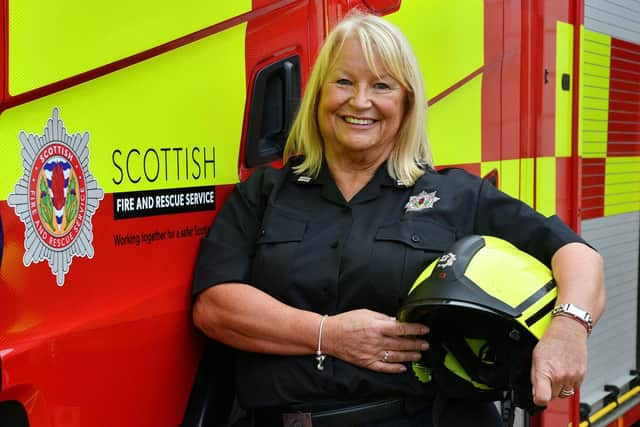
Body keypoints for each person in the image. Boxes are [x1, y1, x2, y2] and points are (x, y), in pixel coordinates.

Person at [191, 11, 605, 427]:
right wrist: (329, 335)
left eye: (382, 85)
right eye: (343, 82)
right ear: (317, 95)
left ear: (406, 103)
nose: (360, 101)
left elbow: (575, 252)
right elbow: (215, 306)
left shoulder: (456, 195)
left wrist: (569, 327)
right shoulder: (266, 193)